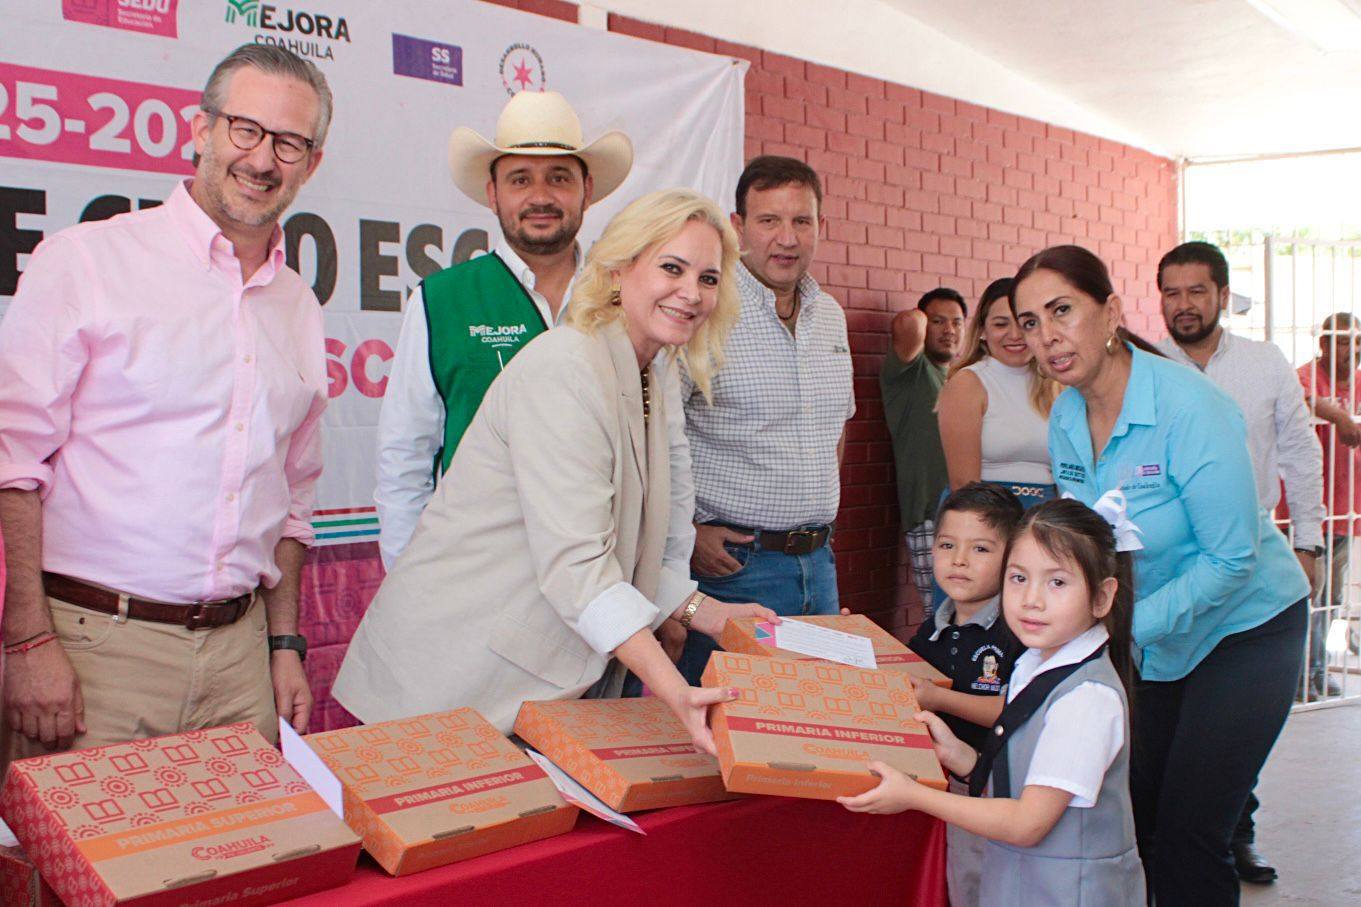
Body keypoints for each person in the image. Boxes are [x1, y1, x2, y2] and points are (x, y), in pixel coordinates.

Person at [333, 189, 777, 745]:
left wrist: (715, 615)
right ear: (617, 271)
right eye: (672, 268)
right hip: (450, 682)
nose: (691, 293)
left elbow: (639, 552)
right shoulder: (566, 366)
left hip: (529, 684)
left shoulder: (655, 370)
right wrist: (675, 692)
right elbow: (580, 570)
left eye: (708, 278)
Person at [0, 44, 331, 763]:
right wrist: (26, 641)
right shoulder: (86, 261)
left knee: (240, 873)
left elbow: (291, 500)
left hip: (241, 662)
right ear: (199, 130)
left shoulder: (299, 305)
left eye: (289, 142)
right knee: (77, 876)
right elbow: (12, 465)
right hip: (95, 654)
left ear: (313, 162)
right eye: (245, 129)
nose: (262, 159)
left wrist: (283, 645)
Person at [1013, 245, 1309, 905]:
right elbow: (1091, 541)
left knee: (1190, 832)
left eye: (1061, 310)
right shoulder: (1064, 414)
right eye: (1029, 322)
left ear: (1110, 310)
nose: (1046, 335)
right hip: (1157, 635)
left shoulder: (1186, 405)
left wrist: (1121, 629)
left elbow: (1230, 556)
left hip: (1245, 628)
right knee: (1137, 817)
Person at [838, 497, 1145, 906]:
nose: (1032, 599)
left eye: (1057, 582)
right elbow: (1019, 787)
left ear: (1103, 597)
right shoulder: (1036, 661)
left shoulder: (1087, 699)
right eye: (1018, 578)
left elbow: (1026, 823)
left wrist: (913, 795)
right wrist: (960, 755)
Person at [1155, 239, 1325, 884]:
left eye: (1197, 291)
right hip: (1173, 571)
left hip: (1249, 567)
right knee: (1184, 719)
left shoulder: (1263, 363)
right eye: (1171, 292)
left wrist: (1307, 542)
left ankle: (1235, 830)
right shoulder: (1148, 367)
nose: (1184, 305)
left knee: (1233, 717)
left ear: (1223, 296)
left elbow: (1300, 453)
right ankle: (1195, 833)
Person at [673, 156, 854, 685]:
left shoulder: (831, 316)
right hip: (731, 572)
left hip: (818, 568)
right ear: (737, 228)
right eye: (769, 221)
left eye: (802, 221)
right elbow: (659, 438)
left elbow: (833, 428)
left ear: (823, 226)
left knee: (813, 735)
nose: (787, 238)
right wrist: (686, 534)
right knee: (720, 739)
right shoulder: (704, 311)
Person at [906, 482, 1027, 907]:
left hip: (995, 790)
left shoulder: (1017, 632)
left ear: (1013, 559)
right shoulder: (933, 628)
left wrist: (938, 700)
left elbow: (1012, 711)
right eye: (946, 544)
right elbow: (905, 681)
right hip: (941, 787)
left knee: (983, 884)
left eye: (980, 549)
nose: (958, 560)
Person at [937, 278, 1058, 508]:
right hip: (986, 514)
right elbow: (964, 485)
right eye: (1001, 324)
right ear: (982, 330)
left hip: (1046, 518)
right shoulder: (968, 383)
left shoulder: (1057, 383)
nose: (1015, 335)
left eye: (1025, 323)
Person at [883, 287, 966, 614]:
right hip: (929, 513)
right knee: (943, 613)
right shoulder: (910, 371)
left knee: (969, 614)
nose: (950, 330)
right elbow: (908, 325)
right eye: (939, 322)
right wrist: (922, 317)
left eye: (957, 322)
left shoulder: (962, 379)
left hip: (966, 513)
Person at [1298, 312, 1361, 700]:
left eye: (1355, 342)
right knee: (1308, 596)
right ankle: (1305, 677)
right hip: (1307, 510)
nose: (1350, 350)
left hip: (1347, 511)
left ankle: (1316, 674)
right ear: (1322, 344)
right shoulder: (1305, 377)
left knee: (1331, 601)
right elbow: (1301, 398)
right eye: (1341, 341)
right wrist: (1339, 416)